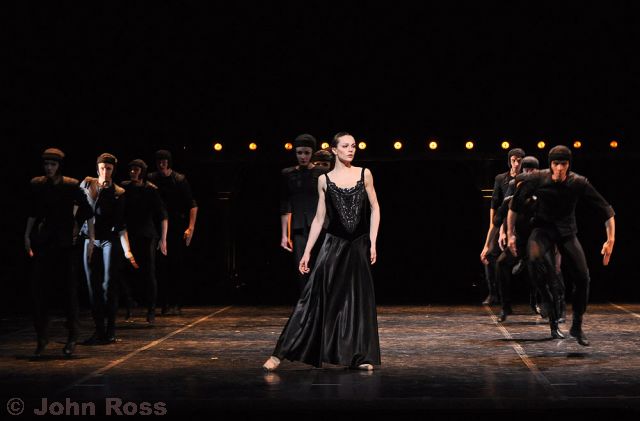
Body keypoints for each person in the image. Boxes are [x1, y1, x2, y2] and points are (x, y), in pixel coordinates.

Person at [263, 132, 381, 371]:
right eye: (345, 146)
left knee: (357, 300)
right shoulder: (324, 180)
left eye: (353, 146)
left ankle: (358, 357)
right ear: (334, 150)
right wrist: (307, 252)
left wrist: (373, 241)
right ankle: (280, 353)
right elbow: (319, 219)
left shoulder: (364, 174)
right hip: (334, 245)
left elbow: (375, 208)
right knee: (313, 295)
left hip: (358, 245)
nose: (351, 149)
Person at [508, 145, 615, 345]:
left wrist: (610, 240)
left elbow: (607, 210)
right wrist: (510, 234)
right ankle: (545, 297)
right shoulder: (538, 178)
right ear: (550, 164)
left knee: (583, 277)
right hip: (542, 230)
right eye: (556, 164)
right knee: (534, 259)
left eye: (563, 164)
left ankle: (577, 326)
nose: (559, 168)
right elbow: (513, 206)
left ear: (568, 165)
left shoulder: (578, 182)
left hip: (566, 232)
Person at [24, 148, 93, 356]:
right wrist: (27, 236)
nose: (49, 168)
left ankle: (72, 336)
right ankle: (41, 337)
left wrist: (86, 235)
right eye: (46, 164)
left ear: (59, 166)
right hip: (45, 242)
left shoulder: (70, 185)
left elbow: (87, 211)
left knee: (68, 290)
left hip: (65, 244)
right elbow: (33, 212)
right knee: (39, 291)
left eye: (52, 165)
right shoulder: (38, 184)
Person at [80, 153, 138, 345]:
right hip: (90, 239)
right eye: (103, 168)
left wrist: (127, 250)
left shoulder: (118, 192)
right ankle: (99, 330)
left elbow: (121, 225)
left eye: (109, 168)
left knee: (108, 285)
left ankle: (110, 330)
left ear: (113, 170)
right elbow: (78, 210)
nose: (105, 171)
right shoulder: (87, 184)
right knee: (92, 286)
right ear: (97, 169)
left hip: (108, 241)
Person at [148, 150, 198, 315]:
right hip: (157, 225)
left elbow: (192, 205)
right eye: (159, 161)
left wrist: (190, 227)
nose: (161, 164)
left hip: (176, 226)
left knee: (176, 264)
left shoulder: (179, 179)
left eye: (164, 161)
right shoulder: (152, 179)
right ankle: (164, 303)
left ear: (169, 162)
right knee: (160, 266)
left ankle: (177, 302)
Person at [279, 134, 329, 292]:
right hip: (299, 227)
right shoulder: (288, 173)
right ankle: (306, 302)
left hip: (322, 226)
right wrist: (284, 235)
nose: (303, 156)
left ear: (312, 153)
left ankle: (322, 302)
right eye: (299, 153)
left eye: (306, 153)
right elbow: (285, 205)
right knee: (302, 267)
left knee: (321, 266)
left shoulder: (322, 172)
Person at [121, 159, 168, 324]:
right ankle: (129, 303)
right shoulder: (124, 187)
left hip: (146, 235)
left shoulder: (150, 190)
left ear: (142, 171)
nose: (133, 172)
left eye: (136, 170)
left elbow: (163, 215)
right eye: (131, 169)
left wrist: (163, 239)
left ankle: (151, 310)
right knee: (124, 270)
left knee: (148, 273)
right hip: (128, 234)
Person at [480, 148, 525, 305]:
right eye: (513, 160)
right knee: (489, 254)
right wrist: (495, 228)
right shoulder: (501, 179)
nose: (516, 164)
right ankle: (493, 293)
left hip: (522, 223)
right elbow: (495, 204)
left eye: (519, 161)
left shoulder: (527, 179)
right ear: (509, 161)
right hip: (502, 221)